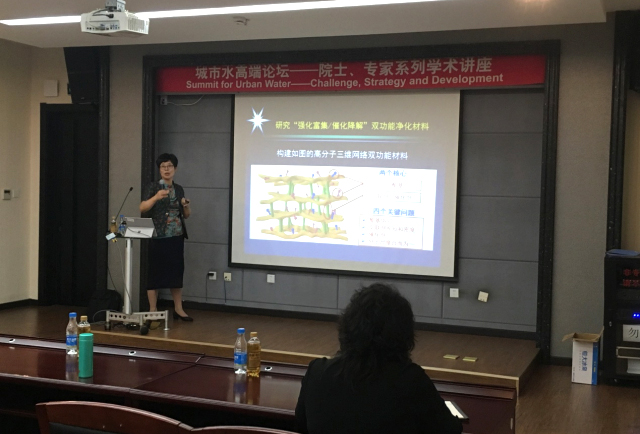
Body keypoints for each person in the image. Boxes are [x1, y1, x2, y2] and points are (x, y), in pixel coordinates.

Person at [295, 283, 462, 434]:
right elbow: (449, 430)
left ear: (347, 325)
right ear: (403, 333)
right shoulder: (411, 380)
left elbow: (301, 425)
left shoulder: (317, 372)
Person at [140, 153, 193, 322]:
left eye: (169, 166)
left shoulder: (179, 189)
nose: (166, 169)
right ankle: (153, 309)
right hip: (158, 235)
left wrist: (186, 206)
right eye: (163, 167)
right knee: (154, 273)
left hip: (176, 236)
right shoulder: (153, 187)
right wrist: (156, 197)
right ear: (159, 170)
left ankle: (178, 309)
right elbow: (142, 208)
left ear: (175, 169)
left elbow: (186, 215)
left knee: (176, 273)